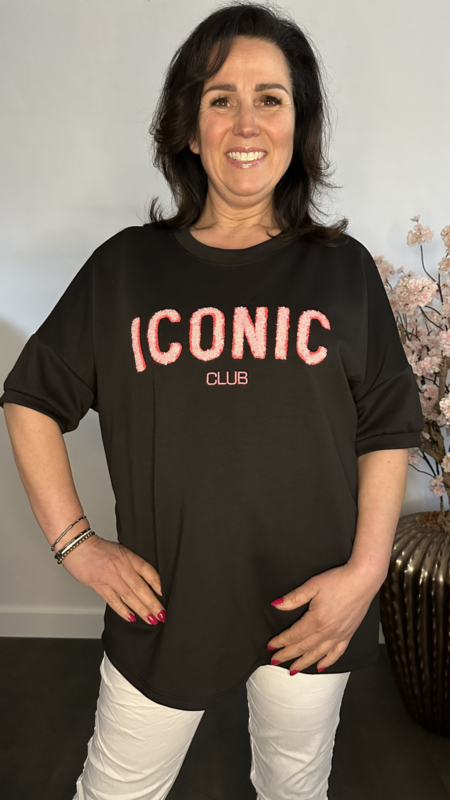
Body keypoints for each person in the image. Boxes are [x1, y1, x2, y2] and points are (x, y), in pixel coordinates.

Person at [0, 3, 424, 800]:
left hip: (314, 602)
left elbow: (386, 426)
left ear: (298, 125)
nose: (246, 122)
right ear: (190, 129)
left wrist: (364, 575)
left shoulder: (343, 271)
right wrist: (77, 544)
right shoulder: (125, 269)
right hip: (170, 608)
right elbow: (29, 399)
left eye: (271, 98)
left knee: (294, 786)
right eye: (220, 98)